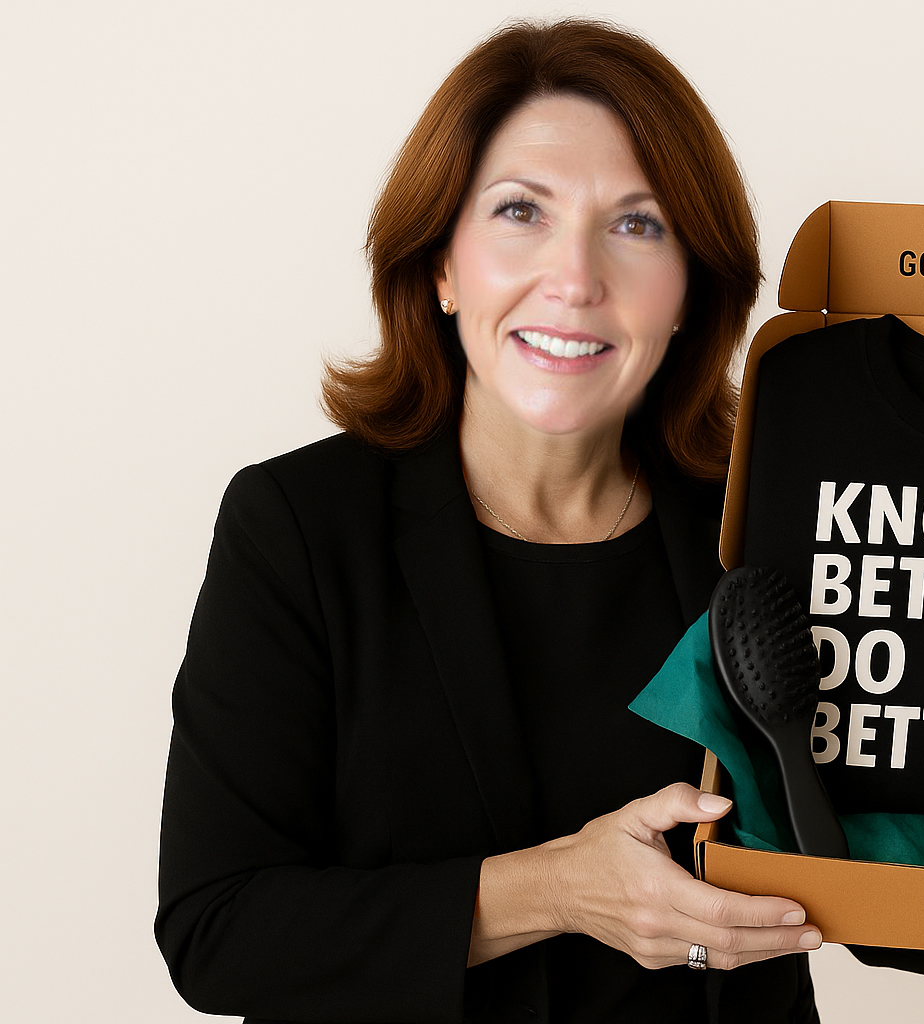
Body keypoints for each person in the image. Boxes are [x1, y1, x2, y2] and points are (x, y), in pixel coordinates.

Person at [155, 20, 821, 1024]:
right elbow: (217, 932)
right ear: (441, 266)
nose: (577, 278)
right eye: (521, 211)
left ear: (689, 290)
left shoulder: (764, 536)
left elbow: (911, 859)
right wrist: (559, 889)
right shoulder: (296, 526)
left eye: (637, 224)